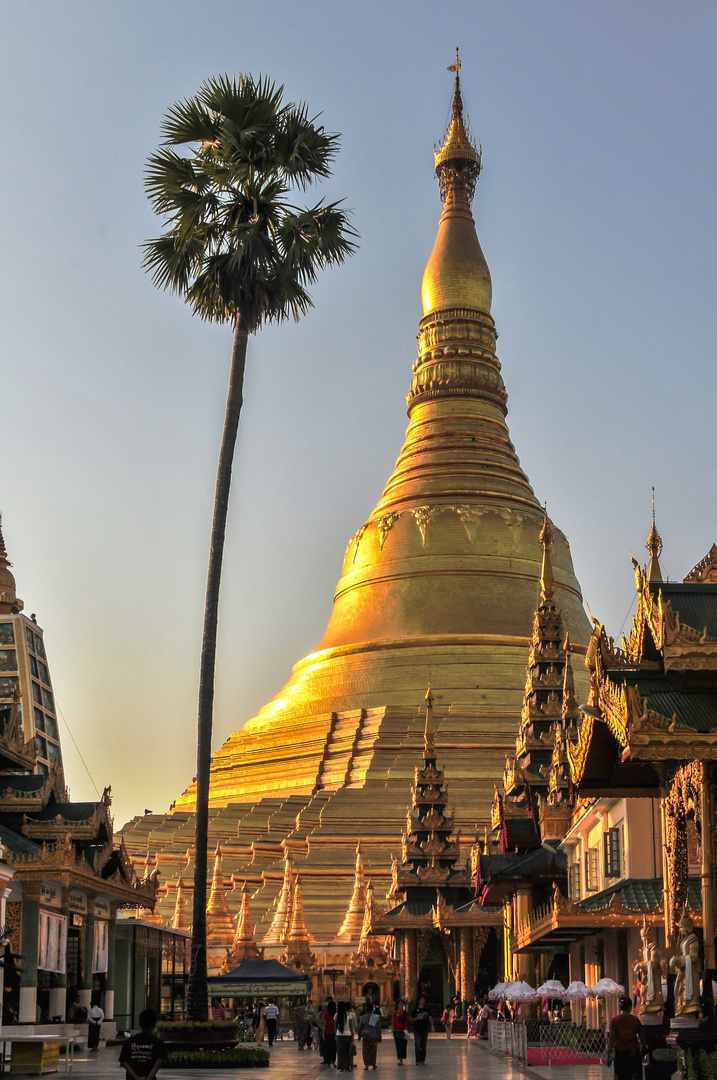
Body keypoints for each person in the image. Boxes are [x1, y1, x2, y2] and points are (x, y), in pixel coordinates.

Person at [119, 1007, 168, 1080]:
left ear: (140, 1023)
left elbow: (124, 1062)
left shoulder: (129, 1042)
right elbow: (158, 1064)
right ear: (154, 1024)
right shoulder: (159, 1043)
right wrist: (148, 1078)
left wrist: (136, 1078)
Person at [606, 996, 647, 1080]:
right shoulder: (635, 1020)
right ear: (629, 1007)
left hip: (619, 1052)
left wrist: (608, 1052)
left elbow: (611, 1038)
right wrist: (644, 1045)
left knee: (620, 1074)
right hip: (633, 1052)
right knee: (634, 1074)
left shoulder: (615, 1020)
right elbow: (642, 1035)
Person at [358, 1003, 382, 1071]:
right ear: (372, 1010)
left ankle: (366, 1065)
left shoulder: (363, 1017)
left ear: (366, 1010)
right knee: (373, 1050)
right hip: (373, 1036)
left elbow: (360, 1027)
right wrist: (379, 1036)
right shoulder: (376, 1017)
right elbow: (378, 1028)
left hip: (365, 1036)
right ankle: (374, 1065)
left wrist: (359, 1035)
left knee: (366, 1051)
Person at [336, 999, 356, 1072]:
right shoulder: (349, 1014)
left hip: (339, 1035)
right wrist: (353, 1037)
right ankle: (347, 1066)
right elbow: (351, 1026)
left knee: (340, 1052)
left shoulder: (336, 1014)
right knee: (347, 1052)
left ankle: (341, 1067)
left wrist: (336, 1034)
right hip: (348, 1035)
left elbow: (335, 1026)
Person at [411, 996, 432, 1066]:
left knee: (424, 1045)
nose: (423, 1001)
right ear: (419, 1001)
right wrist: (417, 1018)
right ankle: (417, 1060)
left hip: (425, 1029)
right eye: (422, 999)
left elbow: (430, 1017)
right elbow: (411, 1019)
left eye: (424, 999)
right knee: (417, 1045)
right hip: (417, 1029)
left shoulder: (426, 1010)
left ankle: (422, 1060)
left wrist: (432, 1026)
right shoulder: (415, 1010)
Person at [391, 999, 409, 1065]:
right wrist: (394, 1028)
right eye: (400, 1003)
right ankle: (400, 1059)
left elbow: (407, 1021)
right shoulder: (395, 1013)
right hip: (397, 1030)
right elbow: (393, 1021)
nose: (401, 1005)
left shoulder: (405, 1013)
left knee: (404, 1044)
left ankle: (402, 1057)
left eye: (402, 1003)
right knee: (398, 1045)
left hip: (403, 1030)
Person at [322, 998, 337, 1066]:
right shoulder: (336, 1014)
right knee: (333, 1048)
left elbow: (324, 1025)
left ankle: (328, 1063)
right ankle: (333, 1061)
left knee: (327, 1048)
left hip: (327, 1033)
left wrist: (323, 1033)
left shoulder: (326, 1015)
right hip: (334, 1033)